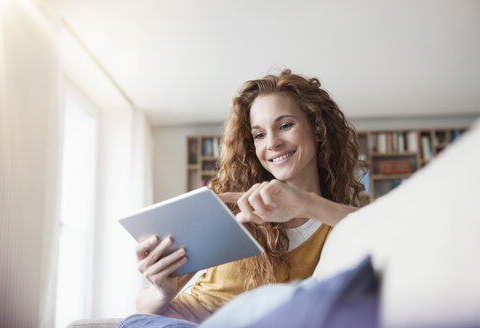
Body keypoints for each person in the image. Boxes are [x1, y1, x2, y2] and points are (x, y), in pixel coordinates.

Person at [127, 69, 367, 325]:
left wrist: (305, 204)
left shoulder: (334, 221)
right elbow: (144, 309)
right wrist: (162, 290)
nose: (272, 143)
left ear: (317, 129)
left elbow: (379, 227)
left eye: (285, 125)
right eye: (259, 134)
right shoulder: (229, 209)